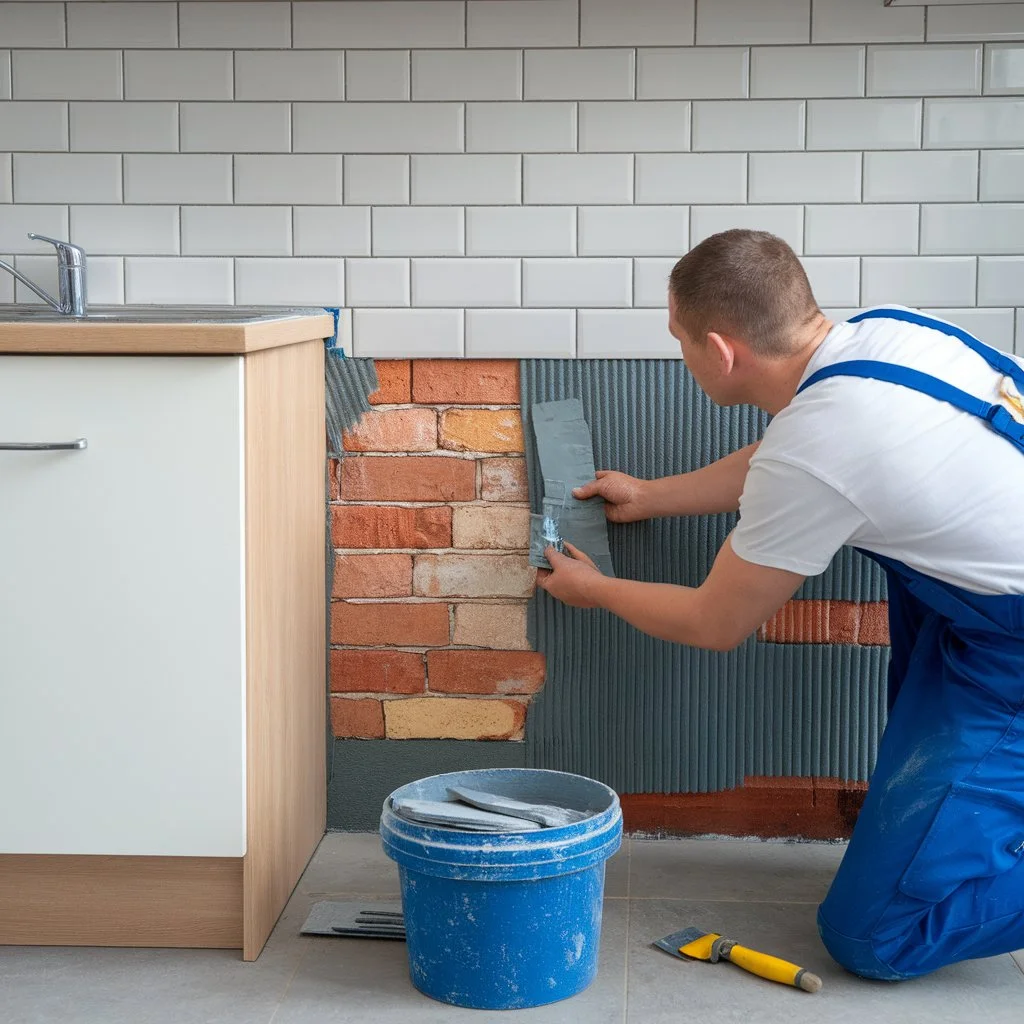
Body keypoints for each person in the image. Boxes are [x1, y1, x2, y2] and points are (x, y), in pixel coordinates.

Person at [535, 228, 1024, 982]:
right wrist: (651, 497)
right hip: (980, 609)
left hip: (1009, 641)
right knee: (920, 808)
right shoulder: (883, 334)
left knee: (876, 937)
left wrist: (592, 589)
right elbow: (789, 459)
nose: (681, 354)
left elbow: (716, 622)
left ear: (721, 350)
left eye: (680, 340)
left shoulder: (825, 440)